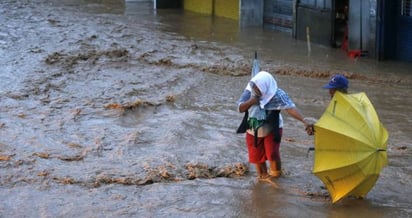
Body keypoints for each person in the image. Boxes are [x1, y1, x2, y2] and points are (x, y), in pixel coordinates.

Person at [237, 71, 313, 181]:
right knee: (256, 156)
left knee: (272, 153)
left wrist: (304, 120)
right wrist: (251, 101)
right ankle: (262, 176)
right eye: (254, 87)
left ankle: (276, 175)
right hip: (253, 129)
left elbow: (290, 108)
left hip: (272, 127)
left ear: (265, 87)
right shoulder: (249, 91)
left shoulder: (277, 94)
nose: (256, 90)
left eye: (258, 89)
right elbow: (240, 108)